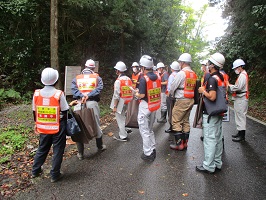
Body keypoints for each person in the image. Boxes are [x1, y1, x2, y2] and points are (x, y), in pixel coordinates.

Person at [32, 67, 69, 183]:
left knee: (42, 148)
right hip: (57, 127)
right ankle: (54, 174)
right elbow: (65, 110)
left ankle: (35, 171)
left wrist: (36, 124)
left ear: (42, 80)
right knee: (58, 150)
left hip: (43, 127)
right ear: (56, 80)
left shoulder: (37, 93)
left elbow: (35, 111)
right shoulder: (58, 94)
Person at [71, 59, 106, 160]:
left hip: (78, 103)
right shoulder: (97, 77)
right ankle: (100, 146)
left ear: (85, 66)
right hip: (92, 103)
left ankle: (81, 153)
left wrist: (81, 96)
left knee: (79, 126)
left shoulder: (77, 78)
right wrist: (89, 95)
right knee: (96, 124)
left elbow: (73, 89)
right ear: (93, 68)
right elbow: (99, 88)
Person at [196, 52, 226, 174]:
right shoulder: (221, 77)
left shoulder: (213, 79)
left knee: (209, 139)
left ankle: (208, 165)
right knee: (218, 138)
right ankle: (218, 163)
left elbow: (212, 97)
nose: (207, 64)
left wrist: (203, 91)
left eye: (208, 63)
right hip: (219, 112)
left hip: (211, 113)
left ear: (212, 65)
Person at [134, 55, 161, 162]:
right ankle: (153, 147)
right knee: (150, 129)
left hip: (145, 105)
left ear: (143, 67)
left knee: (144, 130)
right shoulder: (157, 77)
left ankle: (148, 153)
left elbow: (141, 95)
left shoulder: (144, 79)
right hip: (154, 105)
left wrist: (135, 93)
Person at [169, 53, 197, 150]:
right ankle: (185, 144)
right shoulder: (193, 74)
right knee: (185, 121)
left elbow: (173, 86)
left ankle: (179, 144)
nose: (179, 64)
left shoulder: (181, 73)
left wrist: (171, 94)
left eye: (180, 62)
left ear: (183, 62)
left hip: (181, 100)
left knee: (176, 120)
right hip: (190, 99)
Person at [112, 61, 133, 141]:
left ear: (118, 71)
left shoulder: (118, 81)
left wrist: (114, 106)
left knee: (120, 119)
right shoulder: (128, 79)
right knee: (124, 116)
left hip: (120, 101)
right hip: (128, 101)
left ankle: (123, 136)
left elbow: (116, 95)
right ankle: (126, 129)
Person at [229, 59, 249, 142]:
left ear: (240, 67)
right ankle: (239, 133)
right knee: (239, 116)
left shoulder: (243, 75)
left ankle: (242, 136)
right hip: (240, 98)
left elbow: (238, 87)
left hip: (241, 97)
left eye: (236, 68)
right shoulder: (242, 75)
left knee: (241, 116)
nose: (235, 70)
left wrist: (229, 86)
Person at [165, 61, 180, 133]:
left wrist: (168, 95)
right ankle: (177, 126)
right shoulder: (180, 75)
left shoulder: (172, 76)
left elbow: (169, 87)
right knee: (176, 112)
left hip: (171, 96)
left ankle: (172, 126)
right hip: (178, 96)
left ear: (172, 68)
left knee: (170, 111)